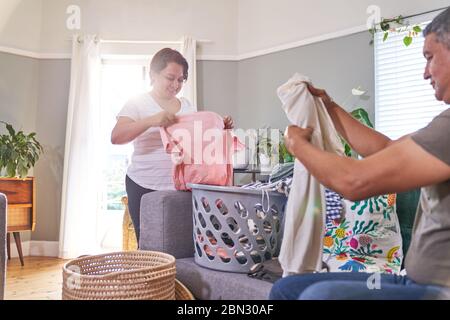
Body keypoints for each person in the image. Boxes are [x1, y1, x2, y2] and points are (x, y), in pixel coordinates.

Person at [270, 7, 450, 300]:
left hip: (438, 291)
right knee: (285, 289)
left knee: (317, 296)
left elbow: (354, 183)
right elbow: (386, 148)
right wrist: (329, 107)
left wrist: (298, 146)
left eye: (430, 57)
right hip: (415, 280)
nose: (425, 72)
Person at [111, 48, 234, 243]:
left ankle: (177, 275)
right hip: (144, 183)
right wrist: (152, 120)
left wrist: (219, 128)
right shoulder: (137, 103)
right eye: (170, 78)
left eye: (180, 79)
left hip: (179, 186)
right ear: (153, 74)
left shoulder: (187, 105)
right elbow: (116, 136)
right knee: (149, 243)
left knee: (180, 241)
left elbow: (197, 143)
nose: (176, 84)